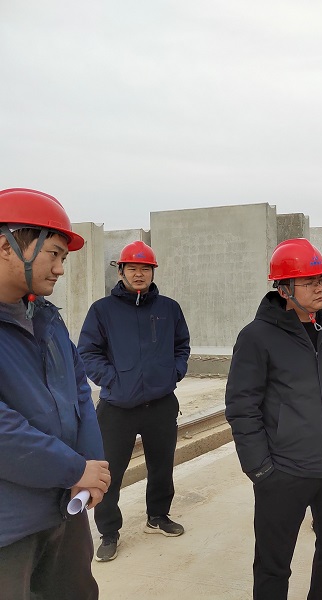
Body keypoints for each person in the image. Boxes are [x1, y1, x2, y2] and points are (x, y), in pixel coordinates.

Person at [225, 238, 322, 600]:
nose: (321, 288)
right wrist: (261, 470)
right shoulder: (257, 337)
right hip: (284, 472)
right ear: (284, 289)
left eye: (321, 279)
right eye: (309, 281)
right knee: (273, 565)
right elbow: (242, 407)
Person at [0, 188, 109, 599]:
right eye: (54, 254)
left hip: (64, 508)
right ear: (6, 247)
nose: (61, 269)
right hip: (10, 526)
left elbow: (79, 392)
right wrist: (74, 469)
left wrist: (92, 469)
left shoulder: (46, 318)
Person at [78, 241, 190, 562]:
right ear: (121, 271)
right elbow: (88, 352)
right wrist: (113, 380)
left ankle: (158, 516)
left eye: (145, 268)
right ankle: (109, 532)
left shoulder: (169, 308)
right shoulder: (102, 310)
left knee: (161, 466)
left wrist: (173, 373)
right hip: (117, 407)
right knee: (109, 471)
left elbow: (182, 345)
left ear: (153, 272)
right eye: (132, 268)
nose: (139, 274)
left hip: (160, 403)